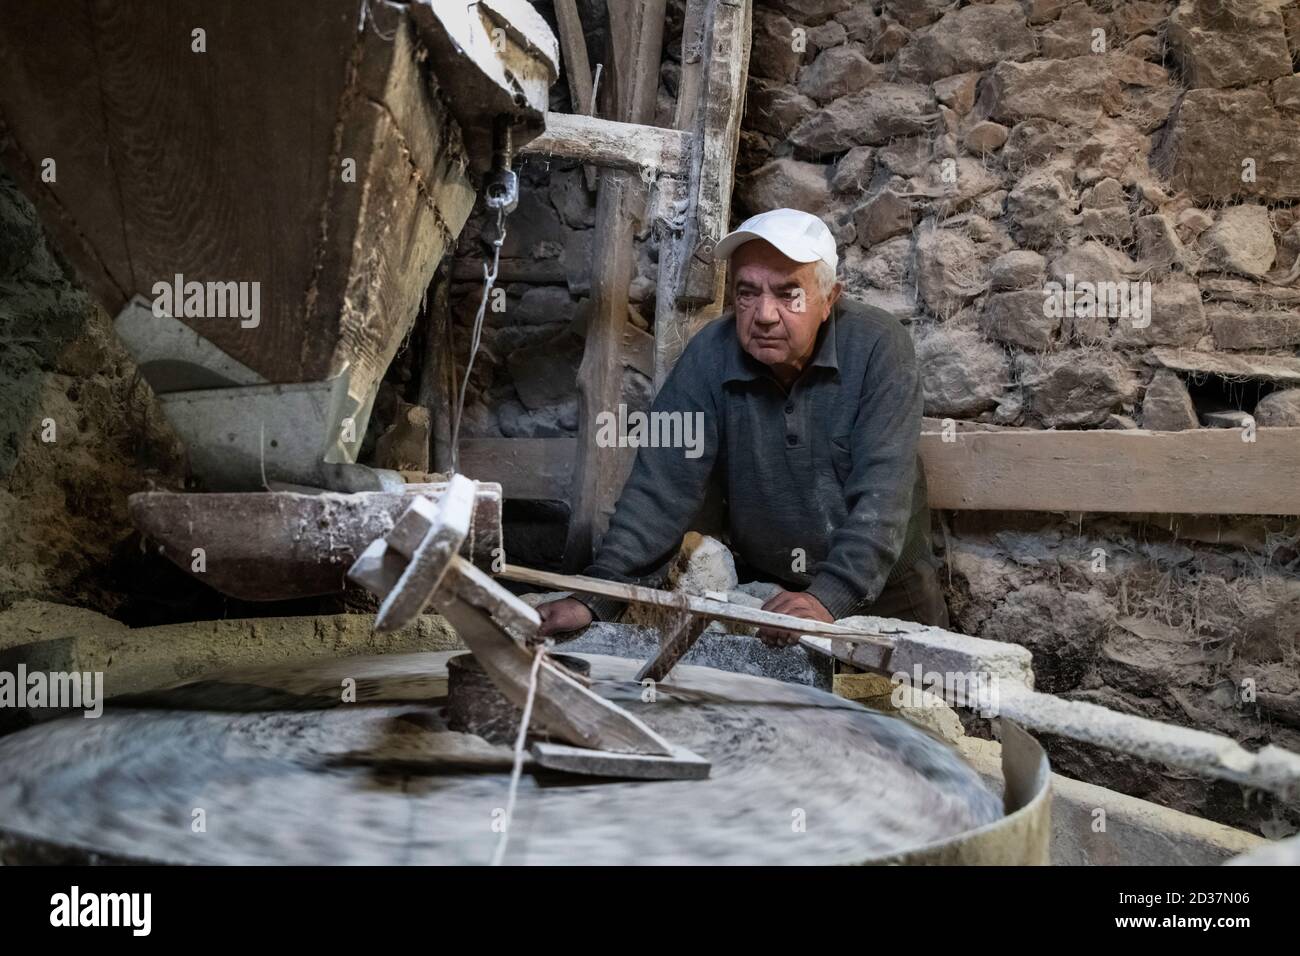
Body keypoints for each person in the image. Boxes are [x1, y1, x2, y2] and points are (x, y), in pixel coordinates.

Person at [537, 207, 948, 644]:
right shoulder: (710, 356)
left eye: (788, 293)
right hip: (769, 594)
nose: (764, 314)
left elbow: (882, 494)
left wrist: (830, 597)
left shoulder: (878, 347)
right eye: (747, 293)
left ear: (829, 300)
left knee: (913, 710)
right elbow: (661, 487)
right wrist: (598, 593)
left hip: (885, 595)